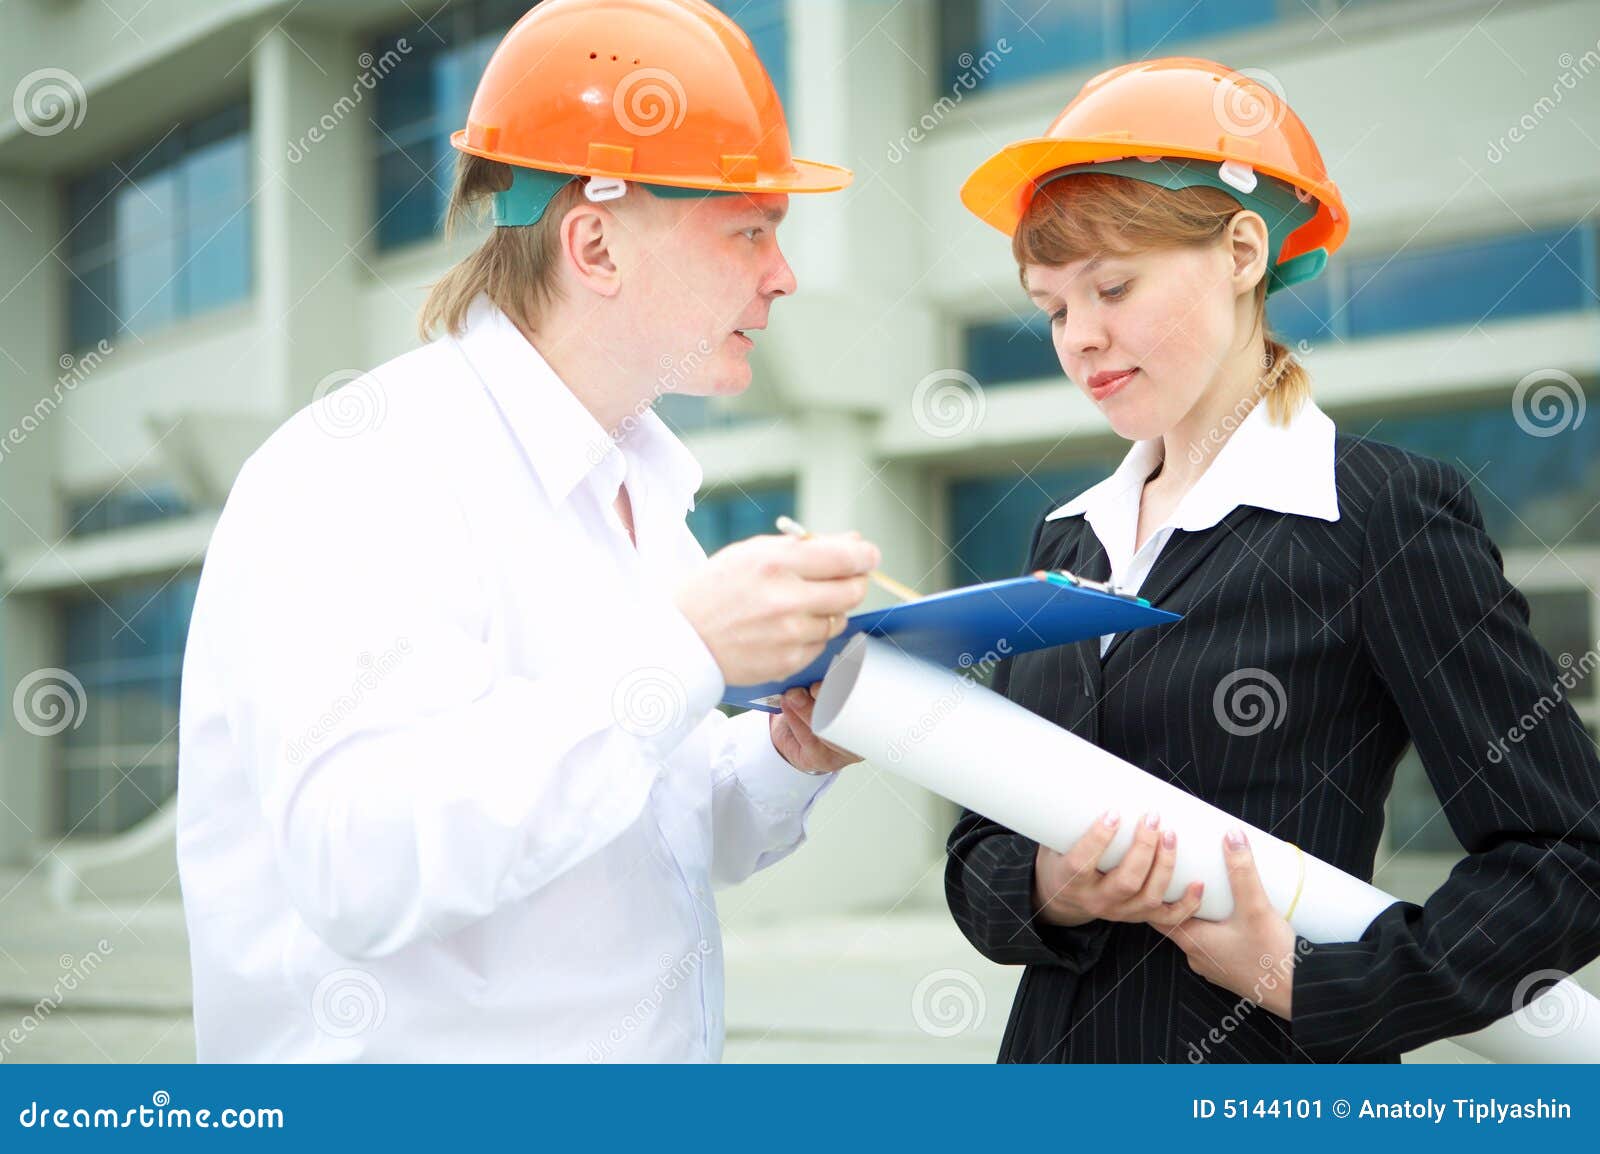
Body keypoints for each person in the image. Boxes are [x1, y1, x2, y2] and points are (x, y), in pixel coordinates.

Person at [176, 0, 874, 1062]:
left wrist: (789, 751)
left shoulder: (634, 490)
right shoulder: (365, 469)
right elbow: (356, 862)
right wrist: (681, 651)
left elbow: (661, 831)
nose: (783, 273)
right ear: (593, 241)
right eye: (749, 229)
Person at [944, 56, 1600, 1062]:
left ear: (1243, 249)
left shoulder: (1377, 515)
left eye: (1112, 285)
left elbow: (1566, 856)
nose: (1080, 338)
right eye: (1053, 306)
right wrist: (1045, 883)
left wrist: (1320, 980)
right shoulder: (1066, 538)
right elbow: (977, 850)